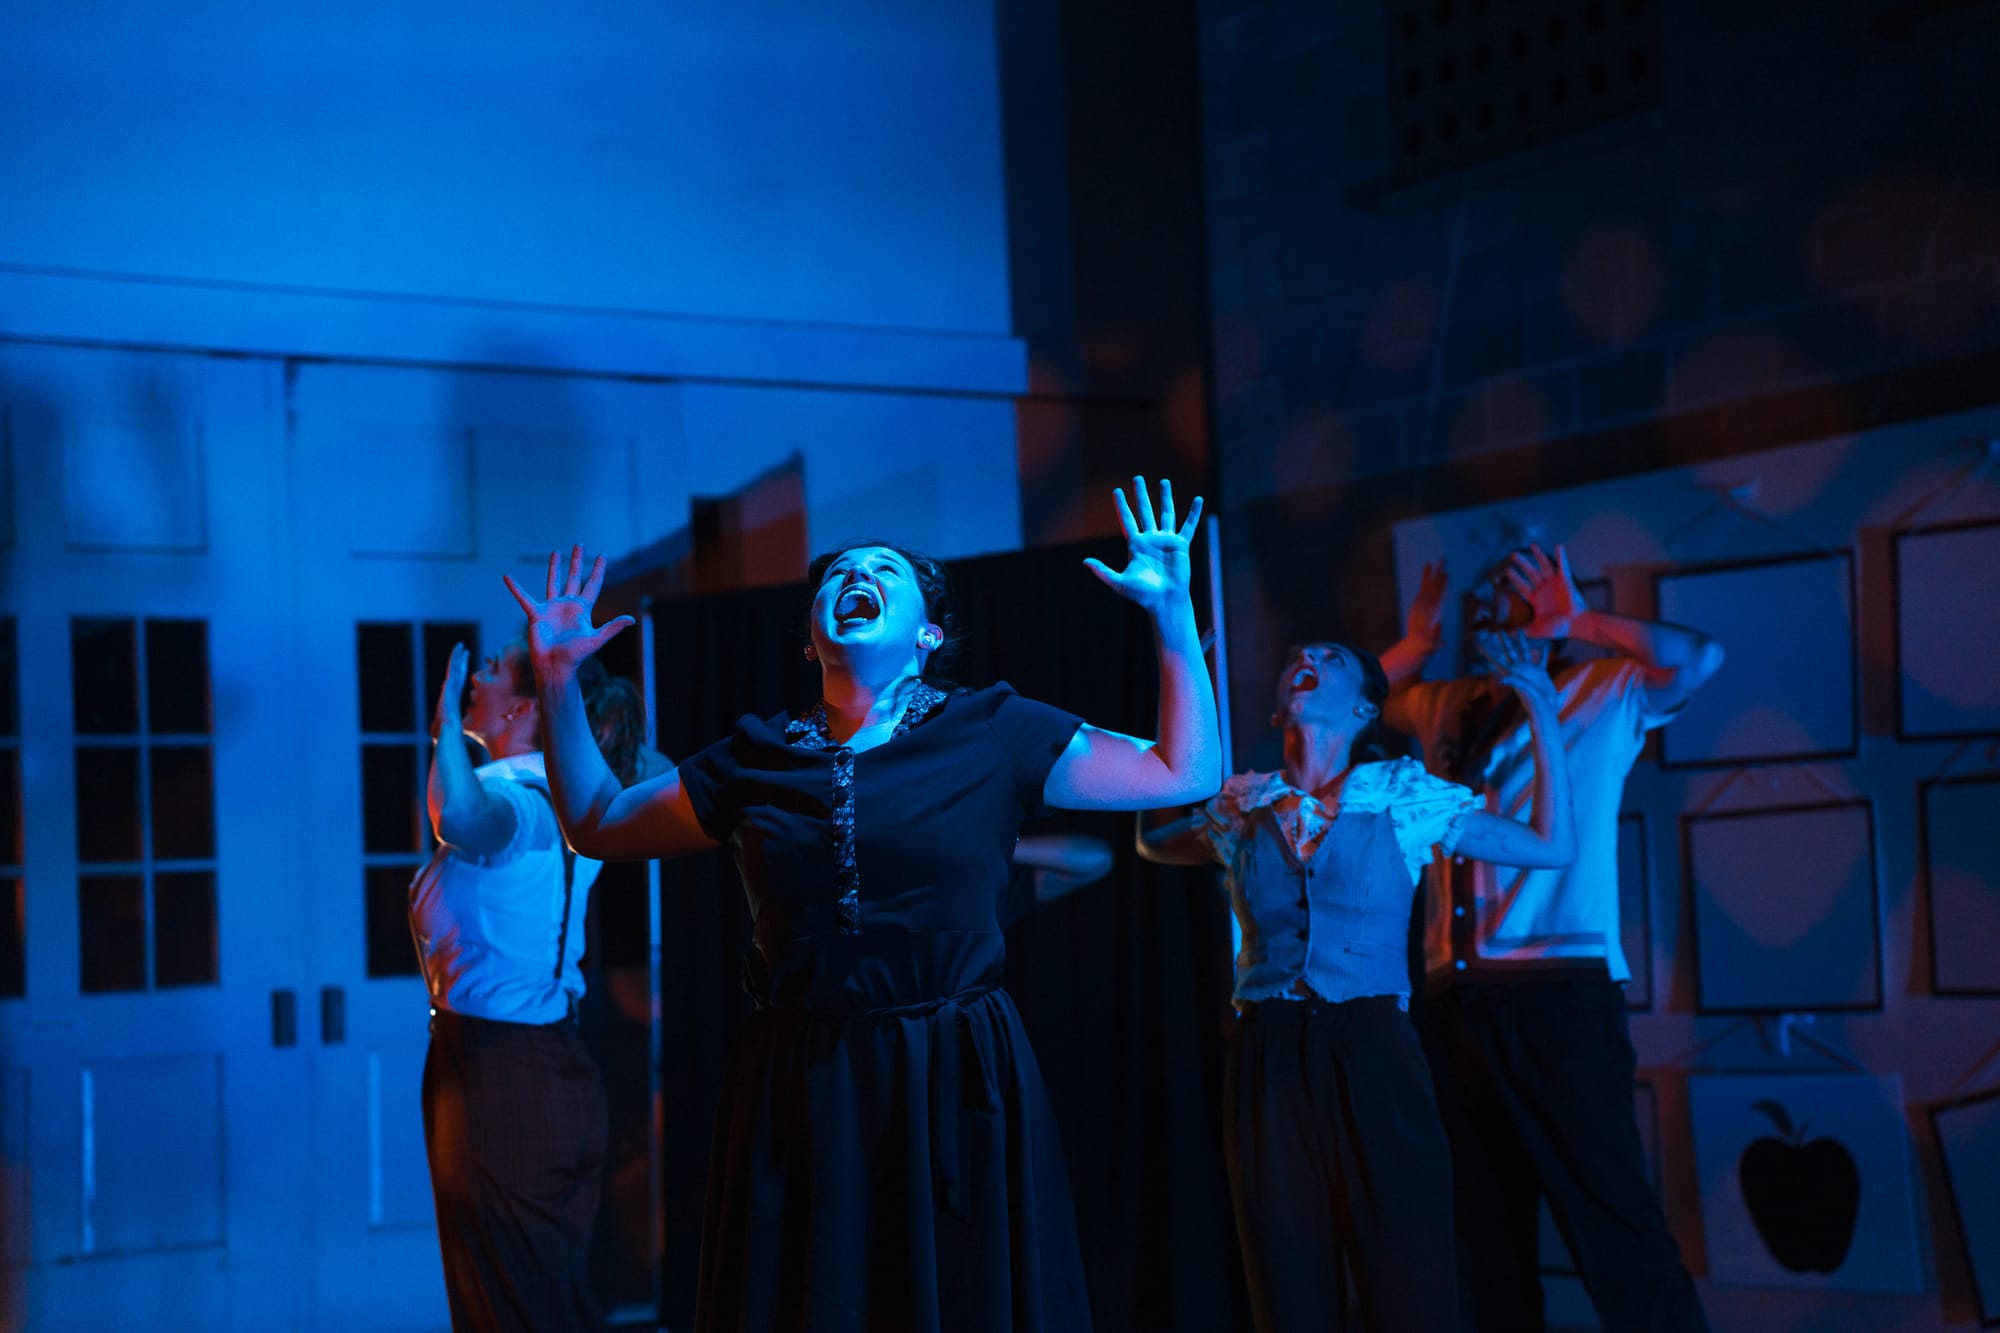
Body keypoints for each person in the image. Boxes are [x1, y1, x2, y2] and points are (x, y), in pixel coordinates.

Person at [503, 477, 1222, 1333]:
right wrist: (555, 677)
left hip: (952, 1067)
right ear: (812, 640)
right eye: (837, 574)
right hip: (806, 1075)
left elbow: (1186, 773)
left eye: (881, 568)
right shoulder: (757, 755)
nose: (854, 575)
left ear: (927, 632)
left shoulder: (990, 726)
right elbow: (596, 822)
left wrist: (1172, 612)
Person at [1136, 631, 1575, 1333]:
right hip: (1268, 1054)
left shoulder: (1398, 794)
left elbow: (1553, 846)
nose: (1305, 661)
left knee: (1409, 1284)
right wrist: (1181, 676)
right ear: (1280, 708)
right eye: (1295, 657)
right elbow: (1150, 837)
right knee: (1288, 1288)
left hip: (1373, 1048)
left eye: (1331, 657)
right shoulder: (1246, 805)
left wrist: (1544, 712)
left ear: (1368, 708)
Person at [1383, 544, 1723, 1333]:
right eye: (1484, 603)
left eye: (1515, 598)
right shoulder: (1447, 704)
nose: (1494, 615)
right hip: (1454, 998)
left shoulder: (1599, 690)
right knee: (1483, 1243)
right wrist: (1415, 644)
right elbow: (1360, 699)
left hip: (1557, 992)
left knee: (1614, 1224)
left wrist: (1588, 621)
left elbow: (1701, 656)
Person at [411, 638, 646, 1332]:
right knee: (534, 1298)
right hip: (537, 1068)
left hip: (501, 1075)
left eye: (493, 665)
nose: (476, 671)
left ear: (522, 704)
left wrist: (445, 726)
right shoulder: (567, 795)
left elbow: (460, 818)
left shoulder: (521, 804)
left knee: (509, 1304)